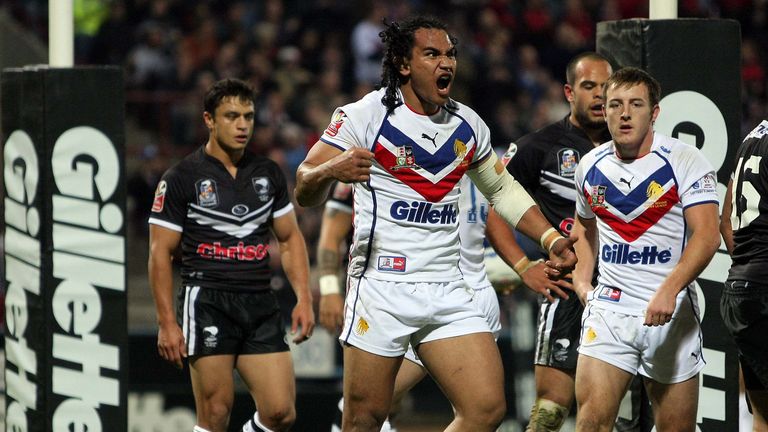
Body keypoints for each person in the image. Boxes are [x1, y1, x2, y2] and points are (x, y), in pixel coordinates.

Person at [294, 16, 576, 432]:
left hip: (447, 286)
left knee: (485, 409)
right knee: (363, 420)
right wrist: (330, 169)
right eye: (432, 54)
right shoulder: (363, 116)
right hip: (382, 288)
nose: (446, 64)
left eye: (450, 55)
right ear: (403, 64)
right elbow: (303, 186)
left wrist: (550, 239)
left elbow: (502, 191)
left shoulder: (467, 124)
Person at [318, 176, 569, 431]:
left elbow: (495, 202)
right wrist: (328, 288)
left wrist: (522, 263)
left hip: (467, 293)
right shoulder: (372, 155)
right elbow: (328, 225)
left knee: (479, 411)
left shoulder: (473, 145)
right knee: (371, 405)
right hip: (403, 291)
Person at [147, 78, 315, 432]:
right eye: (232, 116)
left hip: (259, 302)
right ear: (209, 119)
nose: (243, 125)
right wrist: (166, 323)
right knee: (216, 413)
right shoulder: (181, 177)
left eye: (249, 117)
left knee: (281, 413)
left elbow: (289, 239)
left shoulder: (267, 173)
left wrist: (303, 298)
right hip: (207, 300)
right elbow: (159, 253)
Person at [505, 52, 651, 431]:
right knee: (552, 407)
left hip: (631, 288)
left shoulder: (639, 147)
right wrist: (524, 267)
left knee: (628, 414)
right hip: (569, 291)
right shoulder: (538, 147)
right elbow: (496, 210)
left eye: (607, 88)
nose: (600, 96)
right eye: (590, 87)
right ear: (570, 92)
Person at [570, 67, 720, 431]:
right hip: (610, 311)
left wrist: (669, 290)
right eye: (615, 105)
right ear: (603, 111)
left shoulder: (685, 160)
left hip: (671, 313)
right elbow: (583, 230)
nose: (624, 114)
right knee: (590, 424)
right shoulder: (589, 166)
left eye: (635, 104)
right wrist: (582, 284)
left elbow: (707, 237)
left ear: (654, 113)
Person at [720, 119, 768, 431]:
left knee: (763, 416)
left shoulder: (753, 136)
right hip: (764, 293)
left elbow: (726, 221)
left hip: (742, 290)